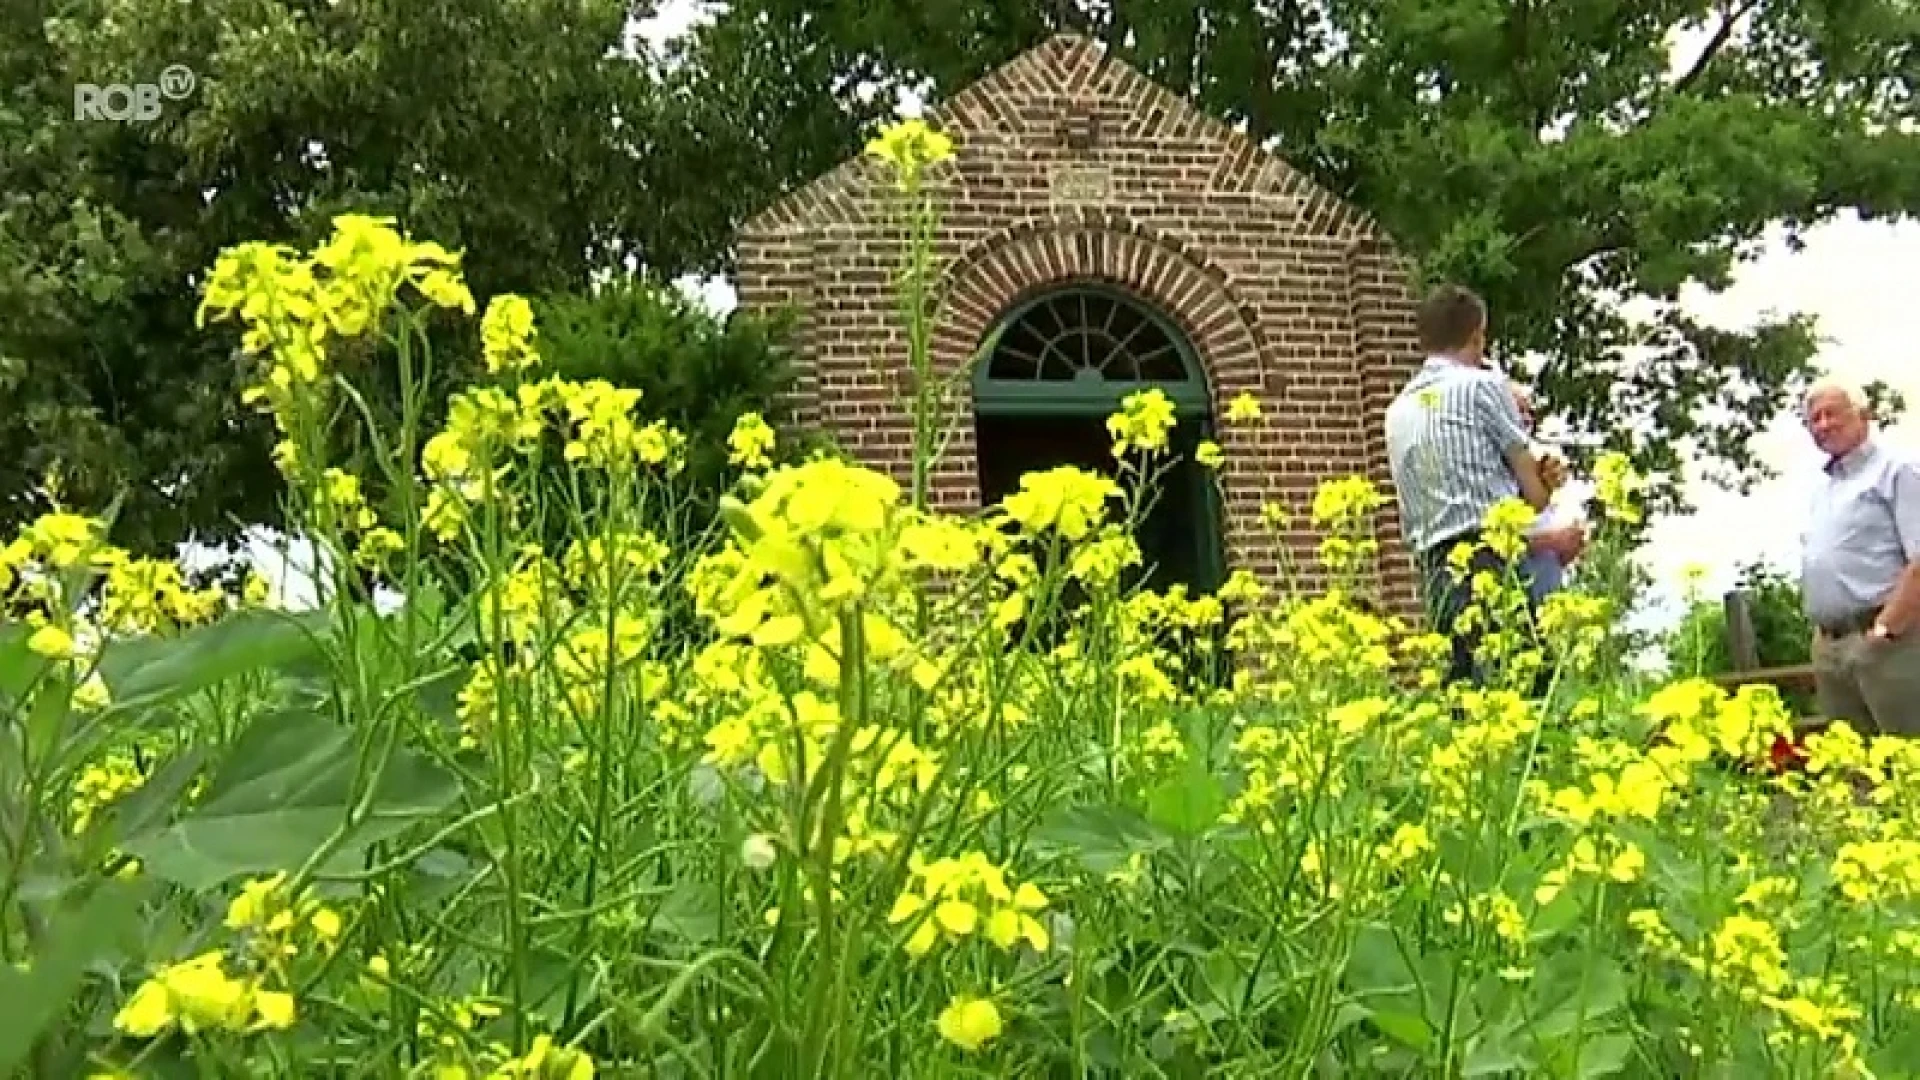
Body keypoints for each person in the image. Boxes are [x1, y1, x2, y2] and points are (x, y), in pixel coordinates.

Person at [1383, 284, 1585, 686]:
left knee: (1466, 695)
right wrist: (1547, 479)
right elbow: (1535, 498)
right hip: (1497, 564)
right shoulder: (1483, 387)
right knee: (1524, 692)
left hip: (1435, 573)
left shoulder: (1396, 411)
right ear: (1478, 335)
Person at [1799, 378, 1920, 735]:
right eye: (1814, 419)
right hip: (1831, 648)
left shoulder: (1898, 471)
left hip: (1887, 641)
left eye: (1831, 414)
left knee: (1907, 759)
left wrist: (1885, 629)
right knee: (1853, 772)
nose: (1822, 425)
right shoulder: (1824, 489)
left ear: (1863, 415)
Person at [1508, 381, 1575, 605]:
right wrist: (1551, 541)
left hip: (1550, 569)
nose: (1527, 419)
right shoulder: (1495, 463)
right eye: (1519, 410)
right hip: (1520, 576)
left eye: (1530, 412)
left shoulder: (1540, 456)